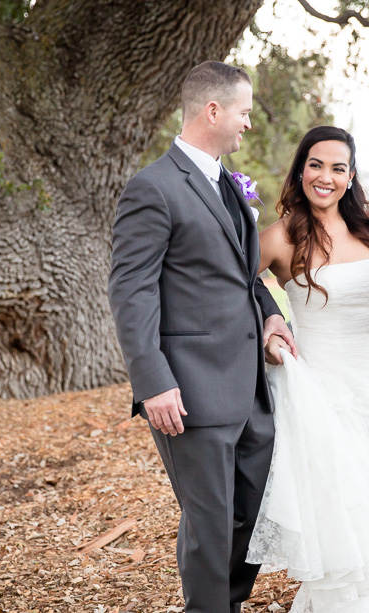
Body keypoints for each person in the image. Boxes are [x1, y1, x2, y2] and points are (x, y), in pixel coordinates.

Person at [107, 61, 297, 613]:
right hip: (188, 391)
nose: (249, 124)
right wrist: (153, 382)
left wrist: (270, 313)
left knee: (257, 513)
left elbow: (240, 273)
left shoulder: (223, 183)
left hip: (248, 386)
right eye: (243, 111)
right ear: (213, 110)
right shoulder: (153, 189)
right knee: (211, 523)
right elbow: (132, 292)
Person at [246, 126, 369, 613]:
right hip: (318, 391)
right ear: (301, 171)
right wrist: (269, 326)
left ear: (351, 176)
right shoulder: (279, 238)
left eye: (338, 167)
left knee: (368, 501)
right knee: (341, 523)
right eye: (316, 165)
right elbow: (229, 289)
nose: (326, 176)